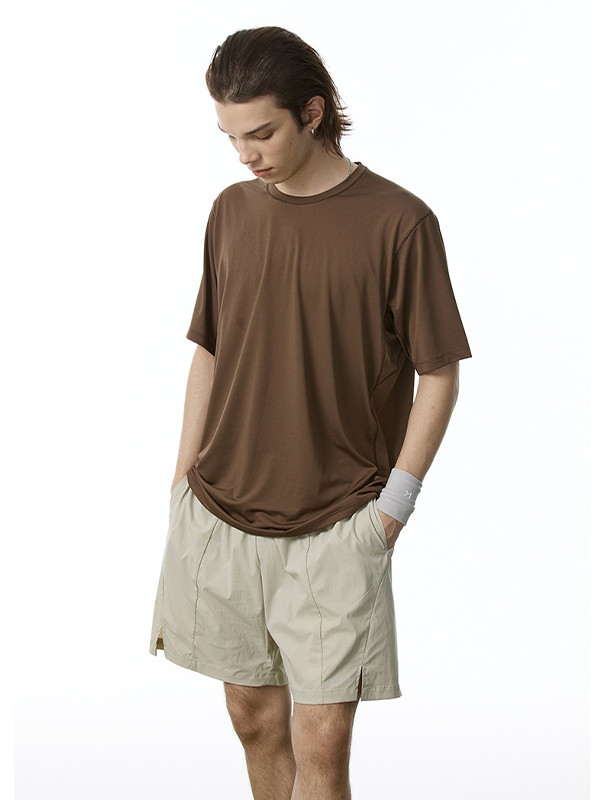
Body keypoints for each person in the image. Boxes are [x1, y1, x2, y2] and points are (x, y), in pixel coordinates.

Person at [149, 25, 472, 800]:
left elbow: (439, 374)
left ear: (314, 112)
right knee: (253, 717)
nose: (245, 154)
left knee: (322, 738)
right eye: (231, 137)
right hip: (220, 514)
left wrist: (393, 510)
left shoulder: (399, 221)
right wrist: (181, 479)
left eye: (262, 133)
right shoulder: (231, 211)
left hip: (337, 522)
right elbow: (211, 350)